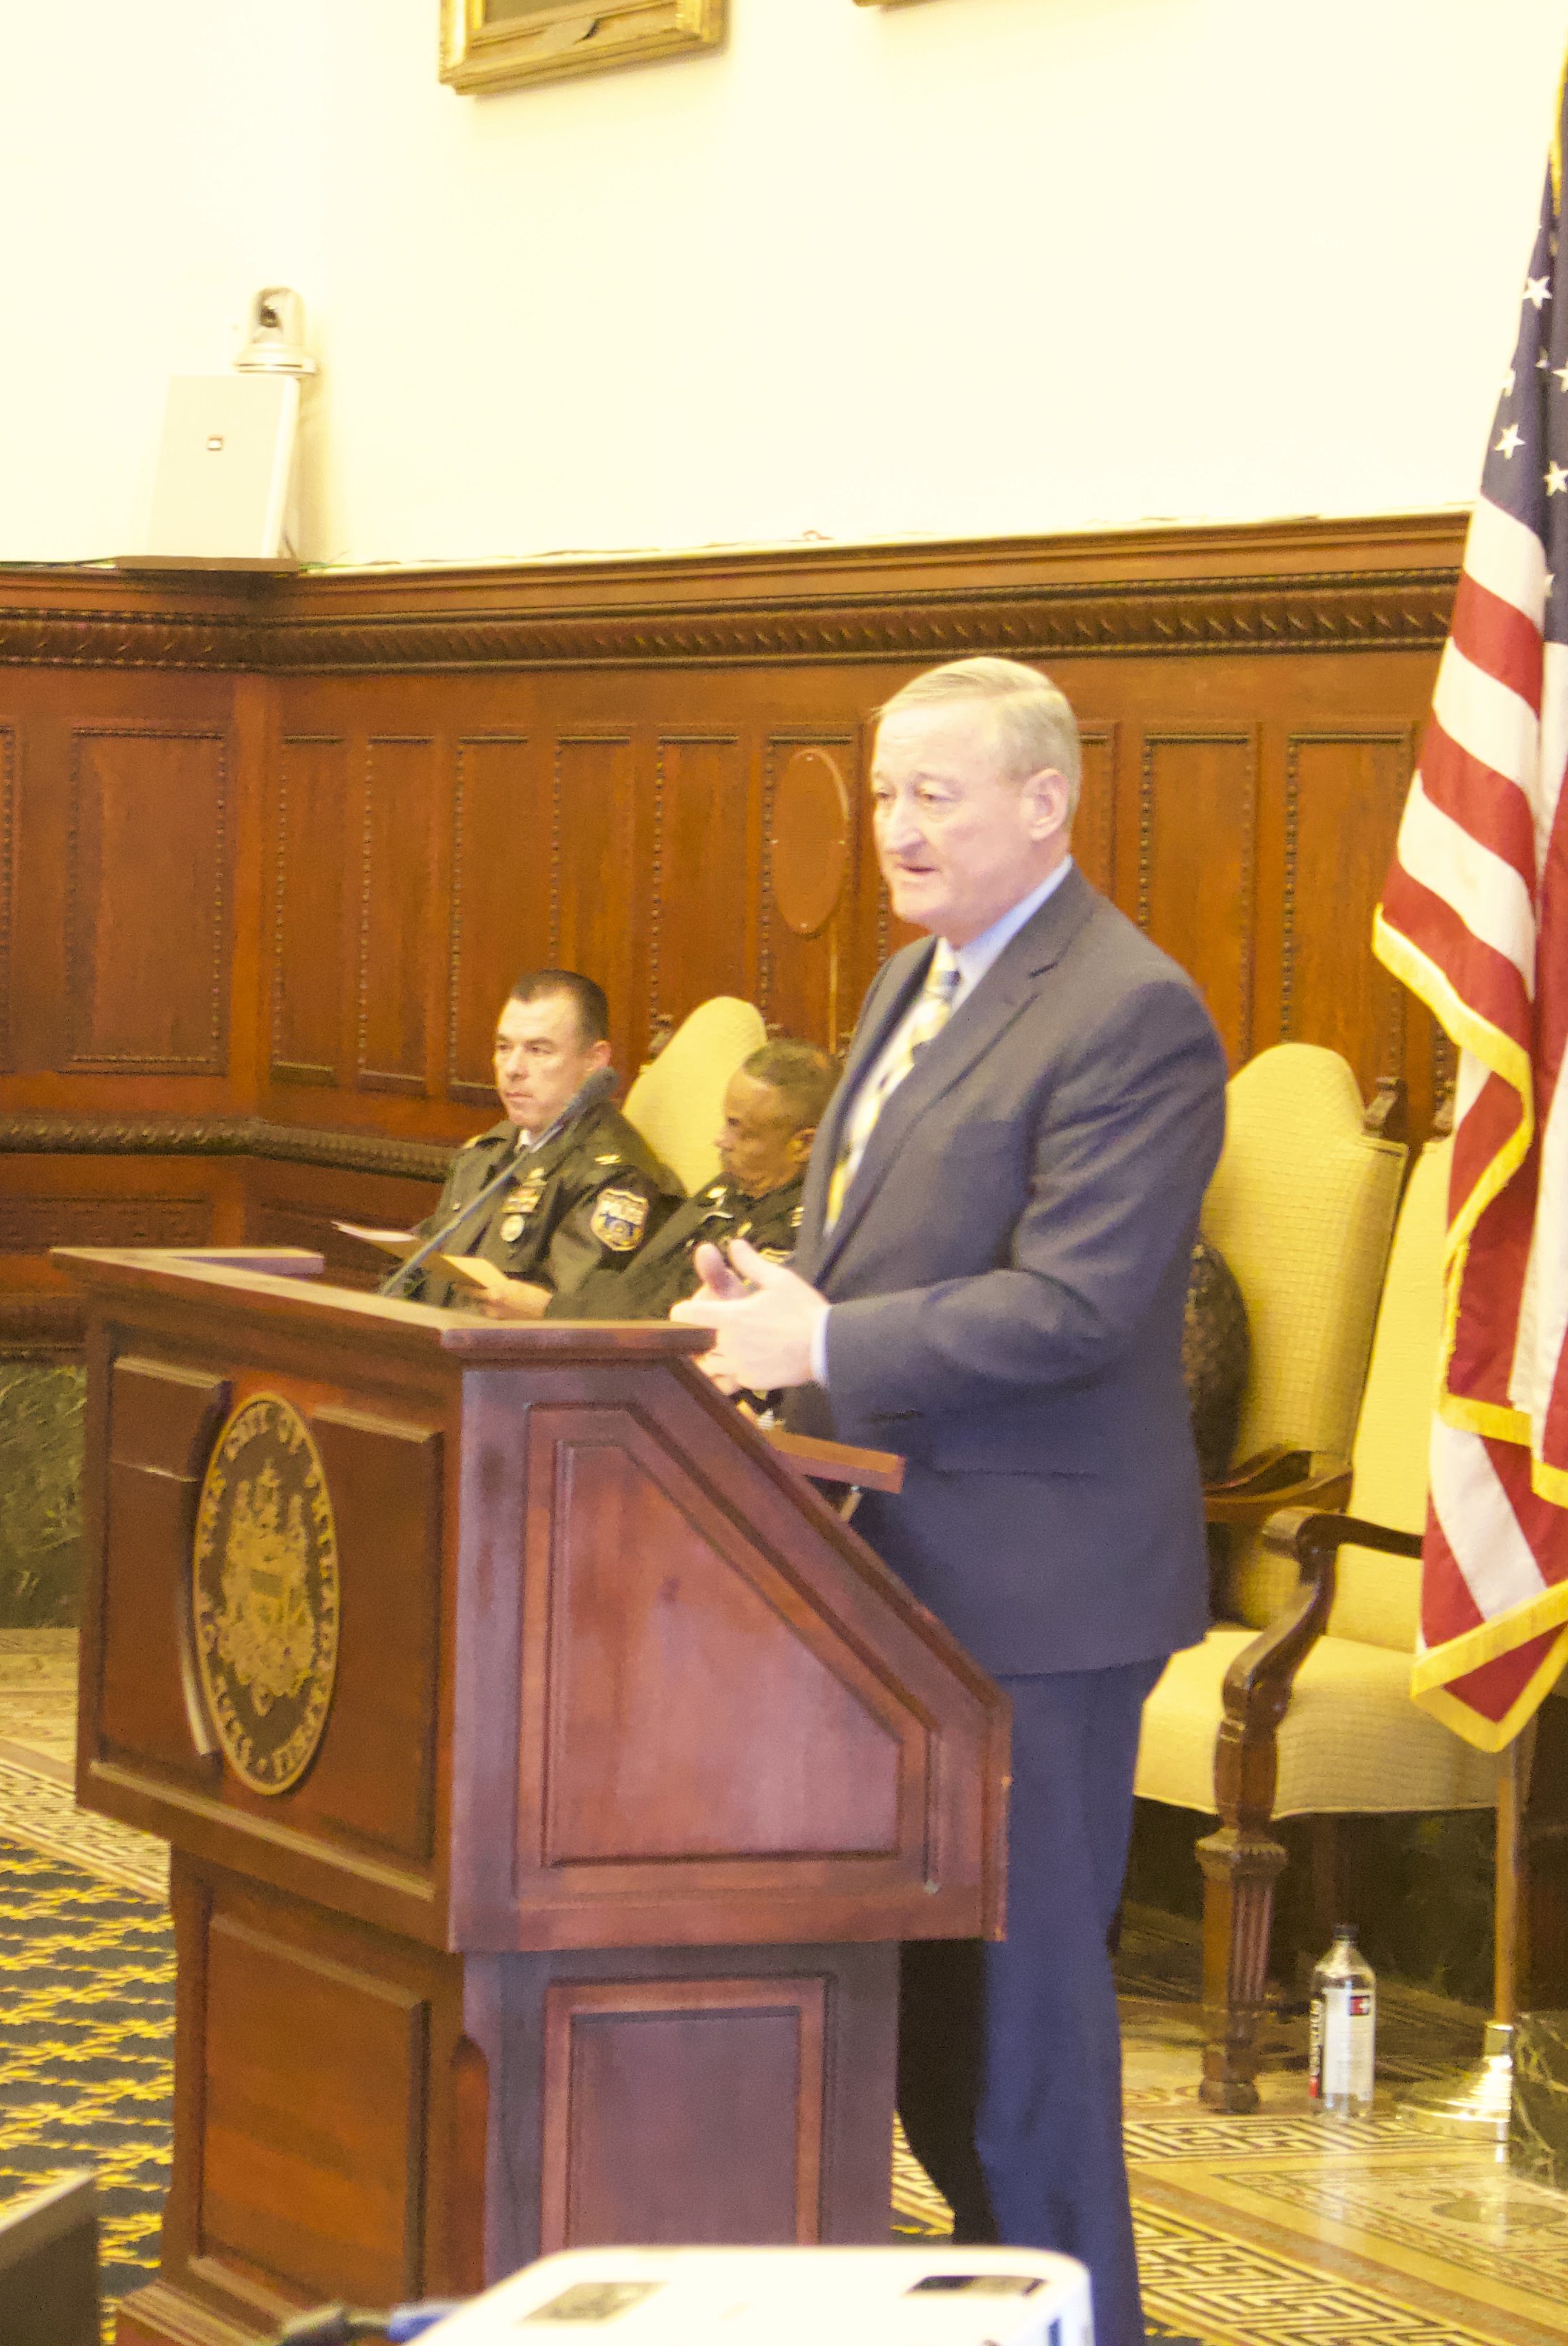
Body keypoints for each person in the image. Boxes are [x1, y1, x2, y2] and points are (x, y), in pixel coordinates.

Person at [674, 657, 1224, 2346]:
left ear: (1045, 800)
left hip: (1038, 1593)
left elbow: (1077, 1303)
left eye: (939, 793)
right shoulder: (916, 975)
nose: (898, 826)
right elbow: (902, 1255)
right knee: (919, 2014)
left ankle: (1079, 2322)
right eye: (885, 787)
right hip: (884, 1572)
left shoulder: (1129, 1007)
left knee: (1024, 2027)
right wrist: (781, 1300)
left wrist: (824, 1330)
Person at [394, 970, 674, 1317]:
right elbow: (416, 1276)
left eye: (538, 1050)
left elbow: (561, 1319)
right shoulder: (488, 1152)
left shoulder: (616, 1178)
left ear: (595, 1061)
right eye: (503, 1047)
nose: (512, 1068)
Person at [552, 1037, 833, 1323]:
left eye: (738, 1128)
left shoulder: (804, 1230)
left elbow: (688, 1329)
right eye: (726, 1122)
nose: (721, 1140)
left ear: (803, 1145)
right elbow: (636, 1285)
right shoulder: (731, 1186)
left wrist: (541, 1309)